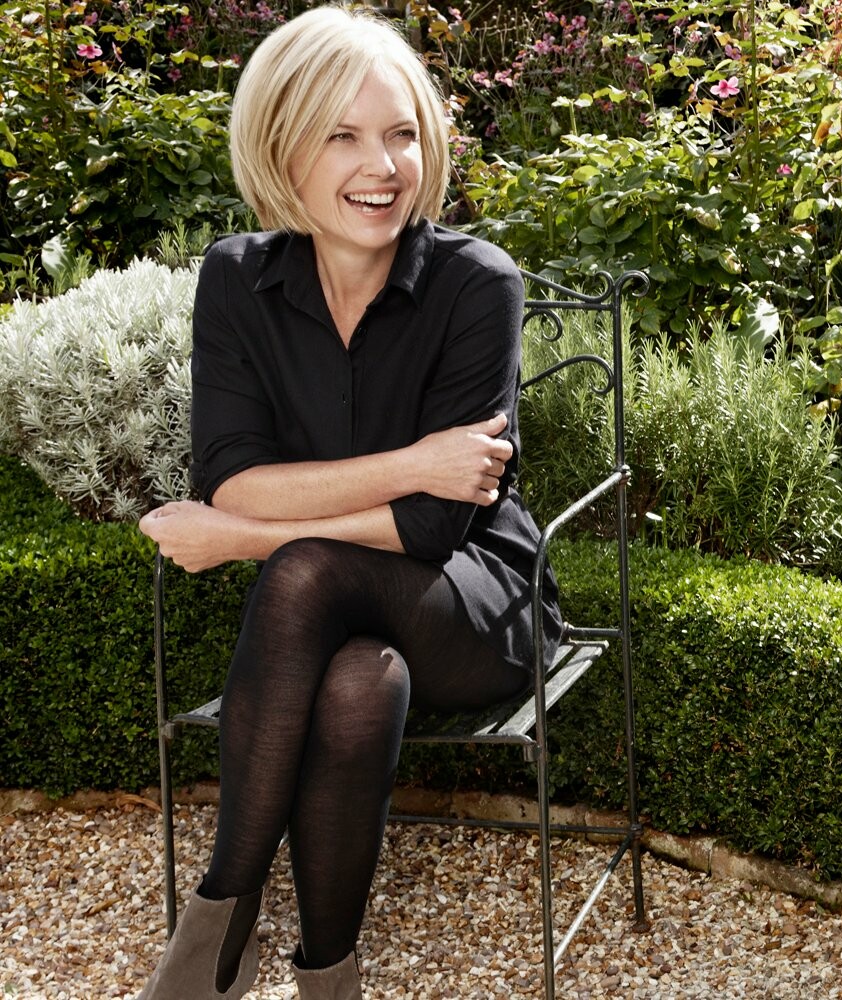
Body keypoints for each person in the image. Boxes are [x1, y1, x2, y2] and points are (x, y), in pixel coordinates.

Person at [135, 5, 561, 998]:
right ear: (281, 145)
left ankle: (207, 950)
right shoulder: (236, 279)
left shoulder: (476, 284)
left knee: (303, 569)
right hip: (343, 622)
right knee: (359, 680)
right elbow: (232, 474)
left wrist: (240, 537)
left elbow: (434, 524)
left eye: (401, 132)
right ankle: (330, 978)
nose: (383, 166)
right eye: (342, 135)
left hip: (473, 599)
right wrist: (415, 460)